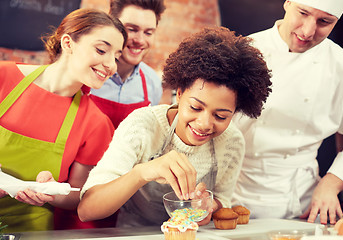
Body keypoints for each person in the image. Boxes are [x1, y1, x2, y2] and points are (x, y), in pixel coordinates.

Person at [77, 26, 272, 227]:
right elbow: (87, 209)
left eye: (220, 116)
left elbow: (223, 199)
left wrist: (209, 205)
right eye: (195, 107)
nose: (204, 124)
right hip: (134, 233)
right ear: (179, 94)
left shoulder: (232, 142)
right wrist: (141, 173)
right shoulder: (142, 125)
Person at [231, 0, 343, 225]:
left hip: (302, 204)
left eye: (324, 22)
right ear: (287, 3)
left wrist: (331, 183)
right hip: (231, 195)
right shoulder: (242, 51)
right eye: (303, 13)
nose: (308, 31)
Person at [0, 8, 127, 232]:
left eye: (116, 56)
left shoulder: (95, 123)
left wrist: (53, 193)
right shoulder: (3, 77)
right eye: (101, 50)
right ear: (68, 43)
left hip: (30, 229)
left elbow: (79, 195)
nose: (111, 65)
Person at [86, 0, 166, 128]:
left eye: (148, 33)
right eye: (132, 29)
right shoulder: (86, 72)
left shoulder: (153, 84)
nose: (140, 40)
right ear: (111, 24)